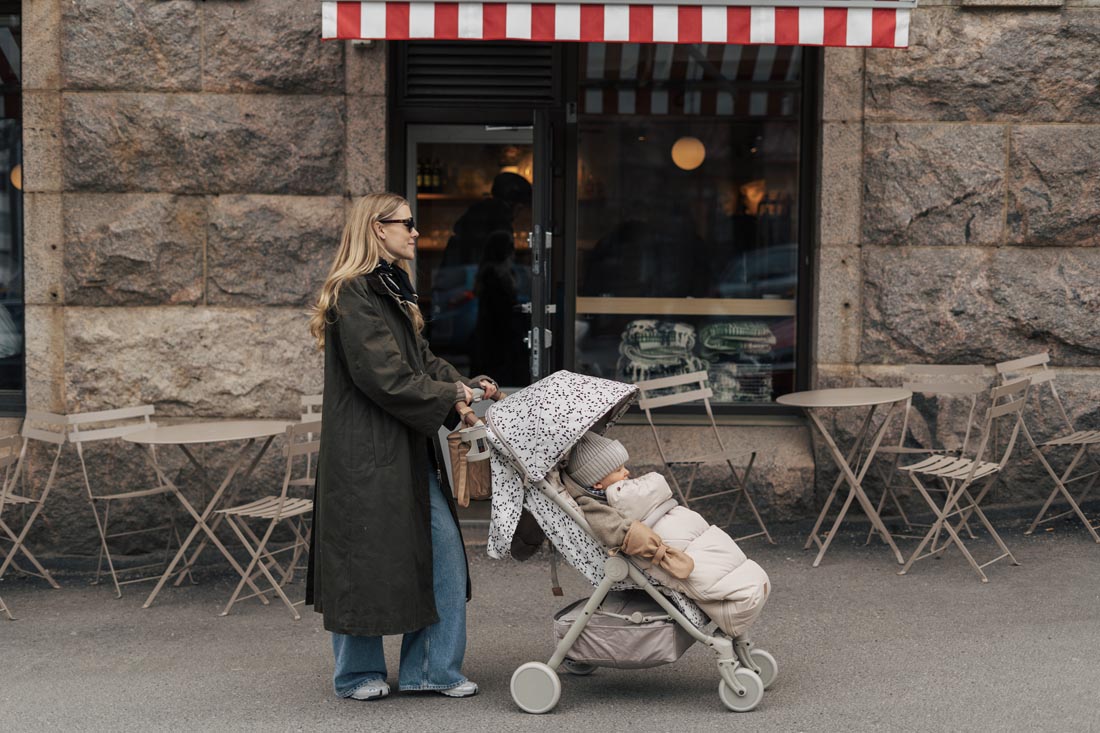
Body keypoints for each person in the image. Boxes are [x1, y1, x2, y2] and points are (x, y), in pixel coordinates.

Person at [306, 192, 498, 702]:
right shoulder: (352, 293)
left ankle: (432, 669)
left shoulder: (391, 285)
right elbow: (383, 376)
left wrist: (464, 386)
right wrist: (449, 394)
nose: (415, 232)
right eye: (406, 224)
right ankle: (356, 674)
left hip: (405, 448)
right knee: (360, 559)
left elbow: (421, 359)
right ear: (377, 229)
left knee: (443, 558)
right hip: (364, 453)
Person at [564, 431, 770, 638]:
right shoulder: (594, 506)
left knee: (716, 554)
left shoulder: (617, 492)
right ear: (597, 483)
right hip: (660, 542)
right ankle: (732, 608)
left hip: (676, 522)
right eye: (618, 470)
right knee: (709, 573)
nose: (626, 472)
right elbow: (616, 531)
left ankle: (735, 599)